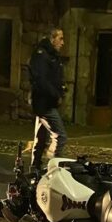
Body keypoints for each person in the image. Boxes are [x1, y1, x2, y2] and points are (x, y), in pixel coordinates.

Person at [29, 26, 68, 172]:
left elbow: (54, 76)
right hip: (44, 103)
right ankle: (52, 170)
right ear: (52, 39)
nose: (62, 42)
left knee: (41, 137)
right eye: (60, 38)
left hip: (44, 102)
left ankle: (35, 168)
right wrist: (56, 95)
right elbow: (41, 80)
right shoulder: (42, 54)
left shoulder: (51, 54)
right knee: (60, 136)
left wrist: (62, 88)